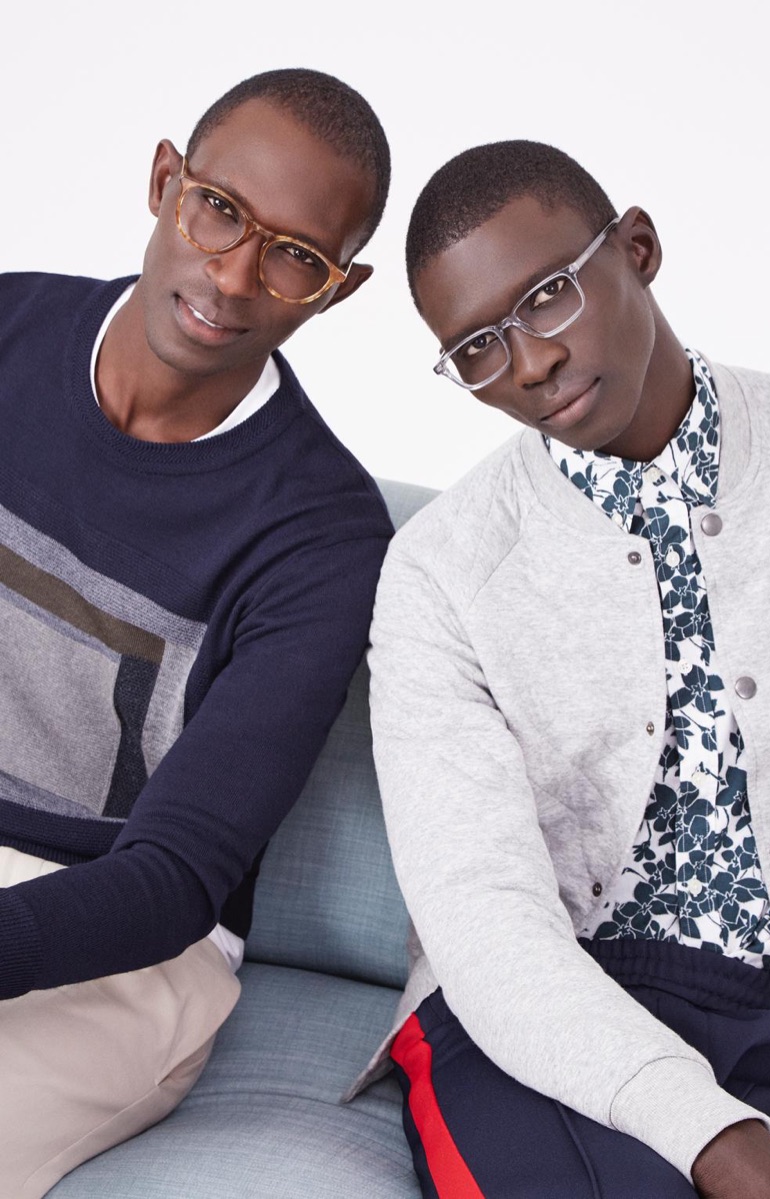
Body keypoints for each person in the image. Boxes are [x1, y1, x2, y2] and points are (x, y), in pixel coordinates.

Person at [366, 139, 770, 1198]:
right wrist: (709, 1133)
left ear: (637, 249)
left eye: (547, 296)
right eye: (473, 347)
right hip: (545, 1008)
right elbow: (483, 915)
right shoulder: (439, 569)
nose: (525, 363)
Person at [0, 67, 393, 1197]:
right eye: (221, 209)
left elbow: (172, 879)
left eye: (294, 255)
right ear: (167, 180)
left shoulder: (321, 536)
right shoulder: (9, 329)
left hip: (124, 956)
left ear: (338, 288)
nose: (232, 276)